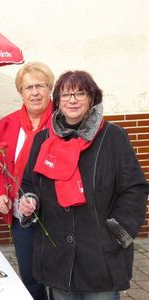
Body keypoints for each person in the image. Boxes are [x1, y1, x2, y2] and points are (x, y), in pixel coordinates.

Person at [18, 70, 149, 300]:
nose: (73, 100)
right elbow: (30, 184)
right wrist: (30, 201)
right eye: (66, 94)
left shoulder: (113, 137)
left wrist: (118, 232)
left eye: (80, 93)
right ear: (57, 100)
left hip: (100, 253)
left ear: (92, 98)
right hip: (57, 253)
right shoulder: (43, 140)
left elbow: (134, 188)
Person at [0, 61, 55, 300]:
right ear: (20, 92)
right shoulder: (8, 123)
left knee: (58, 277)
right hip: (21, 215)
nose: (35, 92)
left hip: (56, 215)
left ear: (50, 89)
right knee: (29, 277)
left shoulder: (62, 122)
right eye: (28, 87)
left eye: (40, 86)